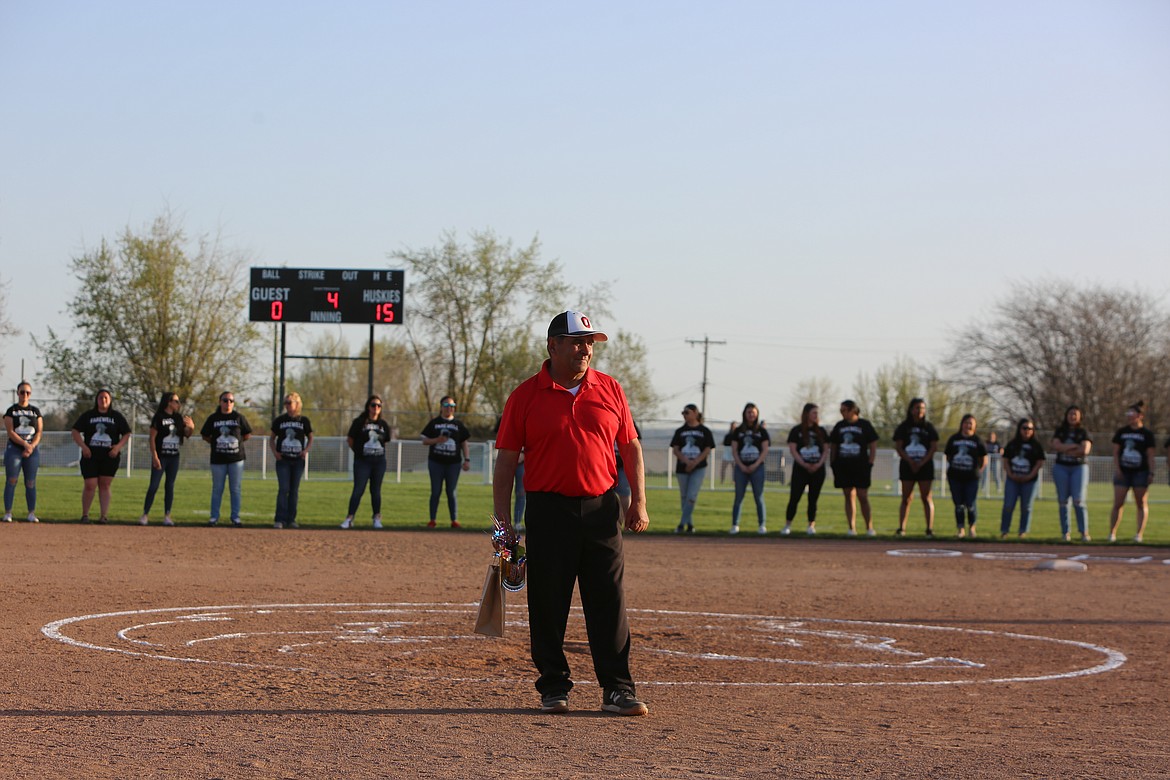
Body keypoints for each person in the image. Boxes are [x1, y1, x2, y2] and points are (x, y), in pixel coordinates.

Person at [492, 310, 650, 717]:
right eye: (577, 341)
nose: (585, 349)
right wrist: (502, 526)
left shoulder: (610, 389)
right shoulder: (525, 395)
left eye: (590, 343)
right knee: (548, 601)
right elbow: (506, 463)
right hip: (548, 510)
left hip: (602, 509)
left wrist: (638, 501)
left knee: (609, 600)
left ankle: (617, 688)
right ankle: (553, 686)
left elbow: (630, 447)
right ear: (553, 346)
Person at [71, 388, 132, 524]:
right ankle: (85, 515)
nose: (103, 400)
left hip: (109, 456)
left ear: (110, 400)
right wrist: (84, 447)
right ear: (96, 400)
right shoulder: (89, 415)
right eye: (100, 398)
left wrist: (117, 447)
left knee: (104, 485)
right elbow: (75, 431)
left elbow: (127, 433)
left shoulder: (116, 416)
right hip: (90, 456)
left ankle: (103, 516)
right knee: (90, 484)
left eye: (106, 398)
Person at [140, 392, 194, 526]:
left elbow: (186, 435)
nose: (178, 403)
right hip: (161, 457)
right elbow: (152, 438)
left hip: (173, 457)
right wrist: (155, 457)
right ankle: (145, 515)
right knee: (153, 486)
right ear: (169, 402)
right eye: (176, 401)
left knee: (169, 486)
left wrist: (191, 428)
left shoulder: (178, 418)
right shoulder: (159, 417)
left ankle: (167, 516)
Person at [200, 391, 252, 527]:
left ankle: (235, 517)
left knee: (235, 489)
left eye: (231, 401)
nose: (228, 403)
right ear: (220, 402)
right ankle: (214, 517)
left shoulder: (238, 417)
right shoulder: (214, 418)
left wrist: (235, 444)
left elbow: (246, 434)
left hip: (236, 459)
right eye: (225, 400)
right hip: (218, 460)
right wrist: (215, 442)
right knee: (217, 488)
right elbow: (205, 435)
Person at [341, 395, 392, 529]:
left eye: (379, 406)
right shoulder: (359, 422)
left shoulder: (383, 425)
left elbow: (385, 441)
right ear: (368, 407)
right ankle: (350, 518)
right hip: (363, 462)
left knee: (375, 491)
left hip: (378, 462)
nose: (376, 408)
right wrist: (359, 452)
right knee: (358, 490)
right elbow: (350, 440)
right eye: (373, 405)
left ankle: (376, 518)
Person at [829, 400, 879, 536]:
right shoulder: (839, 426)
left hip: (861, 466)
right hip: (843, 466)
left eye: (844, 410)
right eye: (841, 410)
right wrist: (833, 462)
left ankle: (869, 527)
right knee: (848, 495)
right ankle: (852, 528)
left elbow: (873, 444)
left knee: (862, 496)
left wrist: (870, 461)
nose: (842, 413)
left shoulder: (864, 425)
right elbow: (833, 445)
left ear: (853, 410)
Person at [1108, 401, 1155, 543]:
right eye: (1127, 413)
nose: (1129, 416)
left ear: (1140, 416)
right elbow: (1116, 453)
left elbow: (1150, 455)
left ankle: (1139, 534)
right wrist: (1118, 469)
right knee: (1118, 503)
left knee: (1141, 503)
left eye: (1132, 413)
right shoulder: (1122, 432)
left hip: (1140, 472)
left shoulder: (1146, 434)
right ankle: (1112, 534)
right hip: (1124, 472)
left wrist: (1151, 473)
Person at [421, 396, 471, 529]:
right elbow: (424, 440)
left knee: (451, 491)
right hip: (436, 462)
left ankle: (454, 520)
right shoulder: (434, 422)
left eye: (452, 405)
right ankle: (432, 520)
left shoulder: (458, 424)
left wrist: (467, 460)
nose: (449, 408)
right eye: (446, 405)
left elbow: (464, 443)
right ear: (441, 407)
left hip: (453, 464)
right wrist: (437, 440)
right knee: (436, 491)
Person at [893, 398, 939, 537]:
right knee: (906, 498)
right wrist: (911, 461)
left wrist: (922, 462)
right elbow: (899, 447)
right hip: (907, 465)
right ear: (911, 409)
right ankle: (902, 528)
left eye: (922, 408)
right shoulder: (904, 427)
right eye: (917, 408)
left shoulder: (928, 427)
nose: (920, 411)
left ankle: (929, 529)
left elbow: (933, 447)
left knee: (926, 497)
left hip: (925, 466)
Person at [784, 403, 829, 536]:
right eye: (813, 412)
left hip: (818, 470)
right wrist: (804, 464)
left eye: (817, 413)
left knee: (813, 499)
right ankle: (787, 525)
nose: (816, 415)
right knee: (795, 497)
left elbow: (826, 450)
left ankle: (811, 525)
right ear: (806, 414)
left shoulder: (821, 431)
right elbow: (793, 449)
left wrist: (818, 464)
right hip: (800, 470)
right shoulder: (796, 430)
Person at [1049, 405, 1093, 542]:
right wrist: (1074, 447)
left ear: (1079, 416)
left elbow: (1085, 450)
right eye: (1070, 414)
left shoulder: (1083, 432)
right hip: (1061, 467)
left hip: (1078, 468)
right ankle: (1065, 532)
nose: (1072, 416)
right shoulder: (1060, 431)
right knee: (1063, 501)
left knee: (1078, 501)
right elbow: (1056, 446)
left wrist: (1065, 449)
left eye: (1075, 414)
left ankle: (1084, 532)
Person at [270, 392, 313, 529]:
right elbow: (272, 438)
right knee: (283, 489)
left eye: (290, 402)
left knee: (294, 490)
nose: (287, 405)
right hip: (283, 460)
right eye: (286, 403)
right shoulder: (280, 420)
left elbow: (311, 437)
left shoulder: (303, 421)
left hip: (297, 460)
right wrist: (275, 452)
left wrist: (305, 450)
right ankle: (280, 519)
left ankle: (291, 519)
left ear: (297, 403)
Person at [670, 404, 715, 534]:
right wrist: (686, 461)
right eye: (683, 413)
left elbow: (707, 448)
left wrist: (695, 462)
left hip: (699, 467)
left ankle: (681, 524)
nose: (684, 415)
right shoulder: (680, 431)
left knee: (691, 496)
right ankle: (689, 525)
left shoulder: (704, 431)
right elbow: (676, 449)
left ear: (695, 413)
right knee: (684, 496)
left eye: (687, 412)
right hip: (682, 467)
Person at [4, 381, 43, 523]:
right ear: (17, 393)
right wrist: (24, 445)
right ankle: (8, 512)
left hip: (32, 450)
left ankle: (31, 513)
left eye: (27, 392)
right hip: (15, 448)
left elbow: (39, 432)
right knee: (12, 480)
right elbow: (10, 432)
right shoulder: (11, 411)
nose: (25, 395)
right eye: (22, 392)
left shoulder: (35, 411)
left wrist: (31, 446)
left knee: (30, 482)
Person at [1000, 417, 1045, 538]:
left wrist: (1029, 476)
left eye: (1030, 428)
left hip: (1029, 481)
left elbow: (1040, 462)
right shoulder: (1013, 444)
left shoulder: (1036, 445)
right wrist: (1010, 474)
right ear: (1020, 429)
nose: (1027, 431)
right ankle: (1005, 531)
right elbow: (1005, 460)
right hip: (1012, 479)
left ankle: (1022, 531)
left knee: (1026, 507)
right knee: (1008, 505)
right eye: (1025, 428)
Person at [944, 414, 987, 539]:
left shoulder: (977, 440)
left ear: (974, 426)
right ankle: (960, 529)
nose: (968, 425)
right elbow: (948, 456)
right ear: (962, 424)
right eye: (966, 422)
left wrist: (977, 471)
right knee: (958, 504)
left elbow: (983, 459)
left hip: (971, 478)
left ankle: (972, 528)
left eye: (971, 423)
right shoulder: (954, 439)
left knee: (970, 503)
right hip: (955, 476)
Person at [730, 402, 770, 535]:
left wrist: (755, 464)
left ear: (757, 413)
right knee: (738, 497)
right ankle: (735, 524)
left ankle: (762, 525)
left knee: (758, 497)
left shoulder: (761, 431)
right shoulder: (738, 431)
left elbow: (765, 450)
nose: (751, 414)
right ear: (744, 414)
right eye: (748, 412)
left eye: (753, 412)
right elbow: (734, 450)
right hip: (741, 467)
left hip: (757, 467)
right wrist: (741, 465)